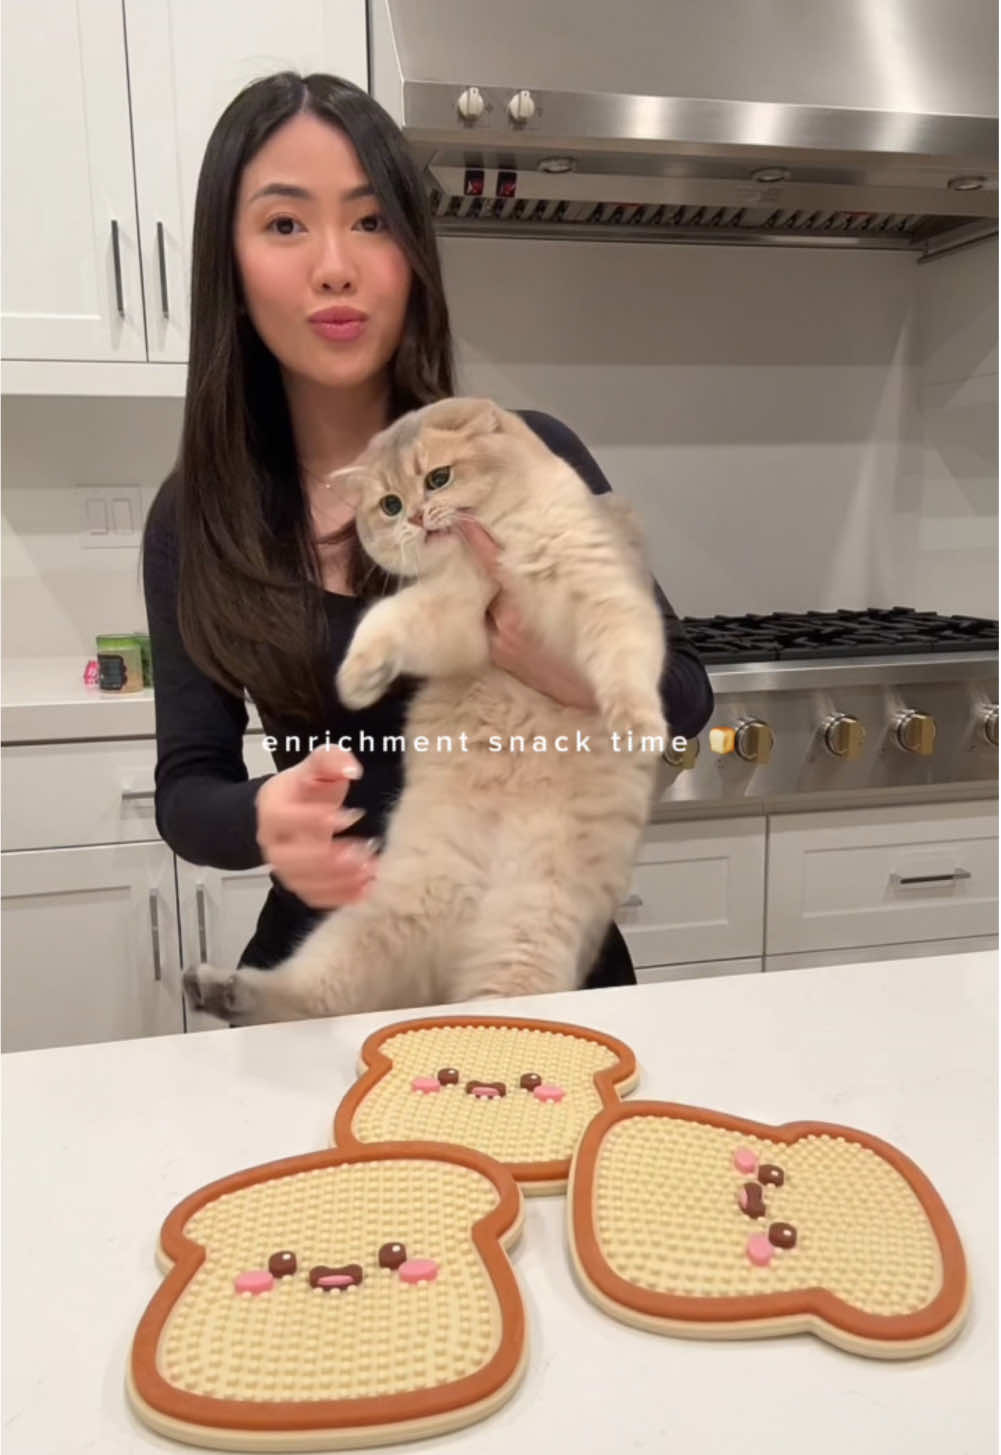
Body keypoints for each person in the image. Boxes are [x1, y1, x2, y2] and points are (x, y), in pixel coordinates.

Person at [141, 71, 714, 998]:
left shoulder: (519, 454)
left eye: (370, 222)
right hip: (335, 976)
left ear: (413, 254)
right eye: (285, 224)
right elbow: (186, 789)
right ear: (230, 265)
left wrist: (552, 662)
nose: (335, 264)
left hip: (538, 959)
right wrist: (266, 815)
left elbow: (685, 696)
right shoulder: (198, 517)